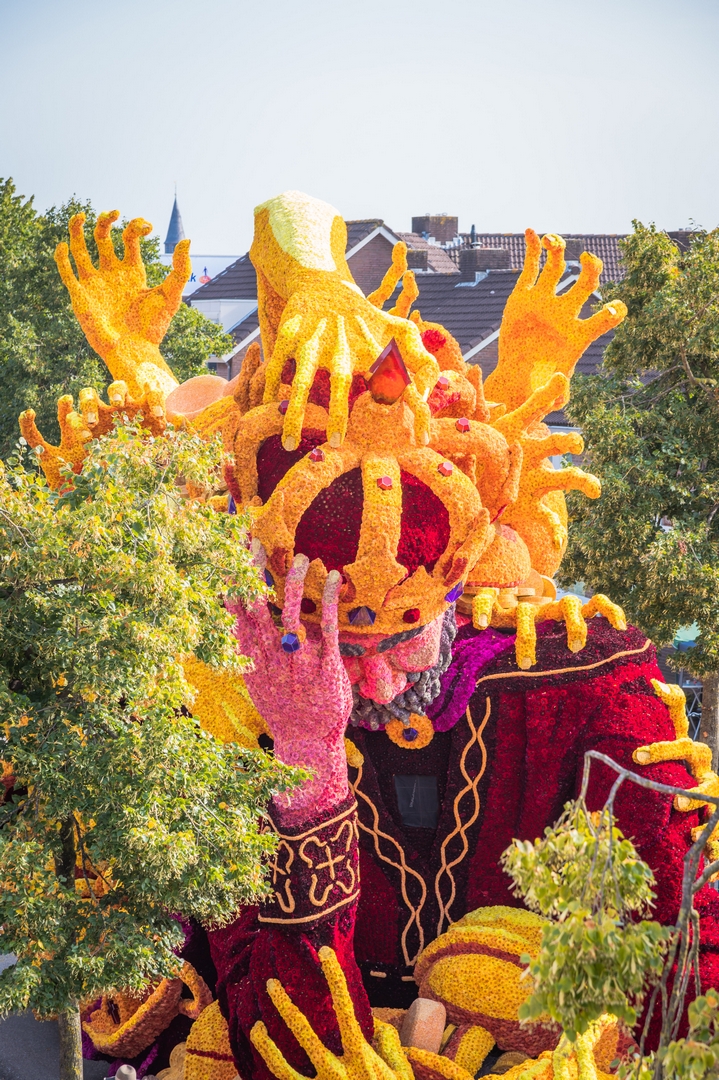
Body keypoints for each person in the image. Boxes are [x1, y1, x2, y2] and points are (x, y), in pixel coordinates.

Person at [22, 192, 719, 1080]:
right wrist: (308, 762)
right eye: (341, 648)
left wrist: (556, 1008)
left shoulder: (577, 674)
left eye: (399, 639)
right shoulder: (218, 720)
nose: (377, 683)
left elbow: (689, 957)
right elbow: (273, 1043)